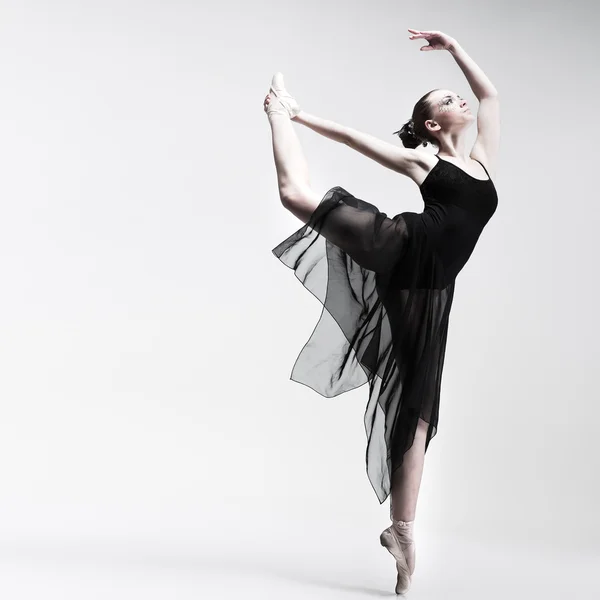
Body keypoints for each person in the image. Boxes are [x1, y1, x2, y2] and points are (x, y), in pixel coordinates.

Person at [263, 28, 499, 595]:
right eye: (446, 100)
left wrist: (454, 47)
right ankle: (273, 110)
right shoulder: (425, 163)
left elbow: (489, 96)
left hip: (433, 290)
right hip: (404, 247)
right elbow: (356, 139)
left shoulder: (484, 161)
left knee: (418, 410)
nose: (459, 99)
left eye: (452, 94)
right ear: (433, 126)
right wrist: (298, 116)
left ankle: (402, 532)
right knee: (297, 197)